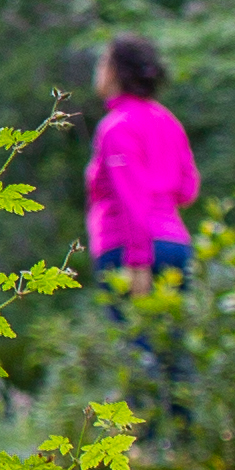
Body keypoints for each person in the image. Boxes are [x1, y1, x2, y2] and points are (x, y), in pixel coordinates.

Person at [87, 34, 201, 292]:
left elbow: (131, 196)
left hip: (129, 249)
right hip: (175, 244)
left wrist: (138, 261)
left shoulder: (116, 128)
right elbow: (187, 189)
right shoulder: (168, 121)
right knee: (172, 332)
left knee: (137, 332)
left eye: (103, 62)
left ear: (115, 71)